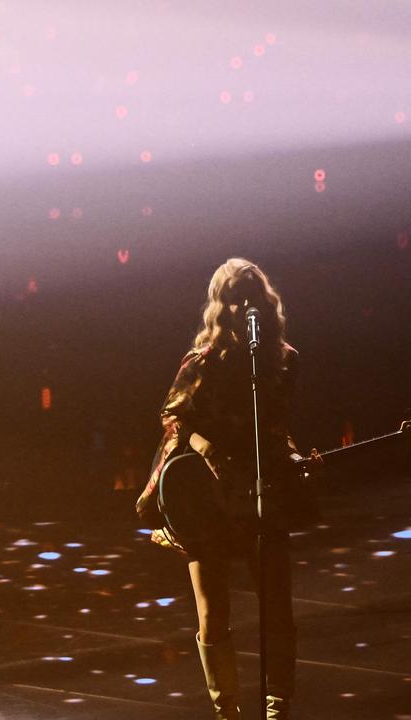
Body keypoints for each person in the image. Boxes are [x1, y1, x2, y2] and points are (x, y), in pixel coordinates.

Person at [136, 258, 303, 720]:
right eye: (231, 299)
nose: (240, 307)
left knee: (276, 608)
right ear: (219, 305)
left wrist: (291, 458)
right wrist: (204, 445)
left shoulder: (283, 361)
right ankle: (225, 711)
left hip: (260, 493)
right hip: (208, 499)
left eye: (248, 298)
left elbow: (276, 427)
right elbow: (173, 415)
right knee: (213, 612)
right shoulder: (202, 360)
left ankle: (277, 707)